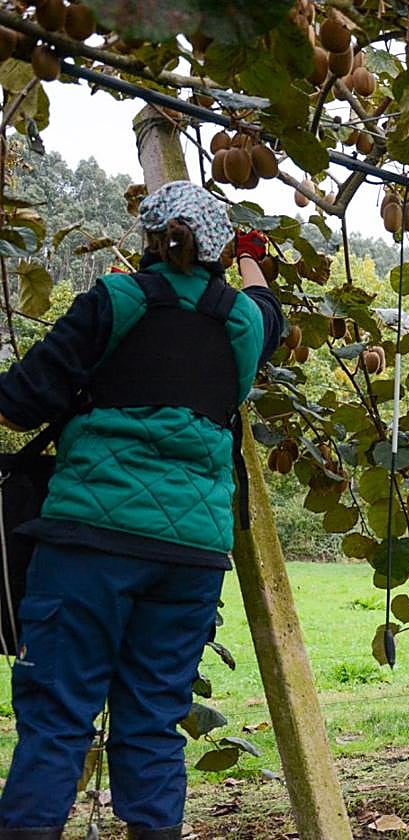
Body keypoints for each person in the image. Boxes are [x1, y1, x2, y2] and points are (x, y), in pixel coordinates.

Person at [0, 181, 284, 840]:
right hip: (190, 557)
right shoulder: (243, 324)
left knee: (58, 719)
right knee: (155, 722)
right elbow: (270, 305)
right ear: (218, 249)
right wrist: (250, 253)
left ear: (150, 241)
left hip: (89, 543)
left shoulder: (113, 302)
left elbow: (17, 404)